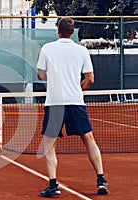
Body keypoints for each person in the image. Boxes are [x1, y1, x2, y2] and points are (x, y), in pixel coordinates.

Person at [37, 17, 108, 197]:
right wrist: (77, 89)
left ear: (58, 30)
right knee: (89, 139)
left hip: (55, 103)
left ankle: (53, 184)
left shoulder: (47, 49)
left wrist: (52, 78)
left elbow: (40, 75)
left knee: (49, 144)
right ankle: (101, 180)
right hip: (75, 102)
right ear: (72, 31)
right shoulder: (81, 50)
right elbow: (90, 79)